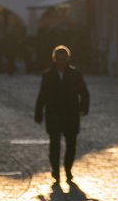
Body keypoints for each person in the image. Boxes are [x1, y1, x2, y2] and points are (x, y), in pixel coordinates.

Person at [34, 45, 90, 183]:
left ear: (67, 59)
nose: (61, 62)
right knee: (55, 144)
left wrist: (83, 107)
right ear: (54, 59)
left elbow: (84, 92)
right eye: (59, 59)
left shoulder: (75, 74)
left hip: (71, 114)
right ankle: (55, 170)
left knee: (71, 143)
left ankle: (68, 168)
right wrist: (39, 113)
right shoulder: (48, 75)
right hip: (54, 114)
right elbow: (42, 95)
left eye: (64, 59)